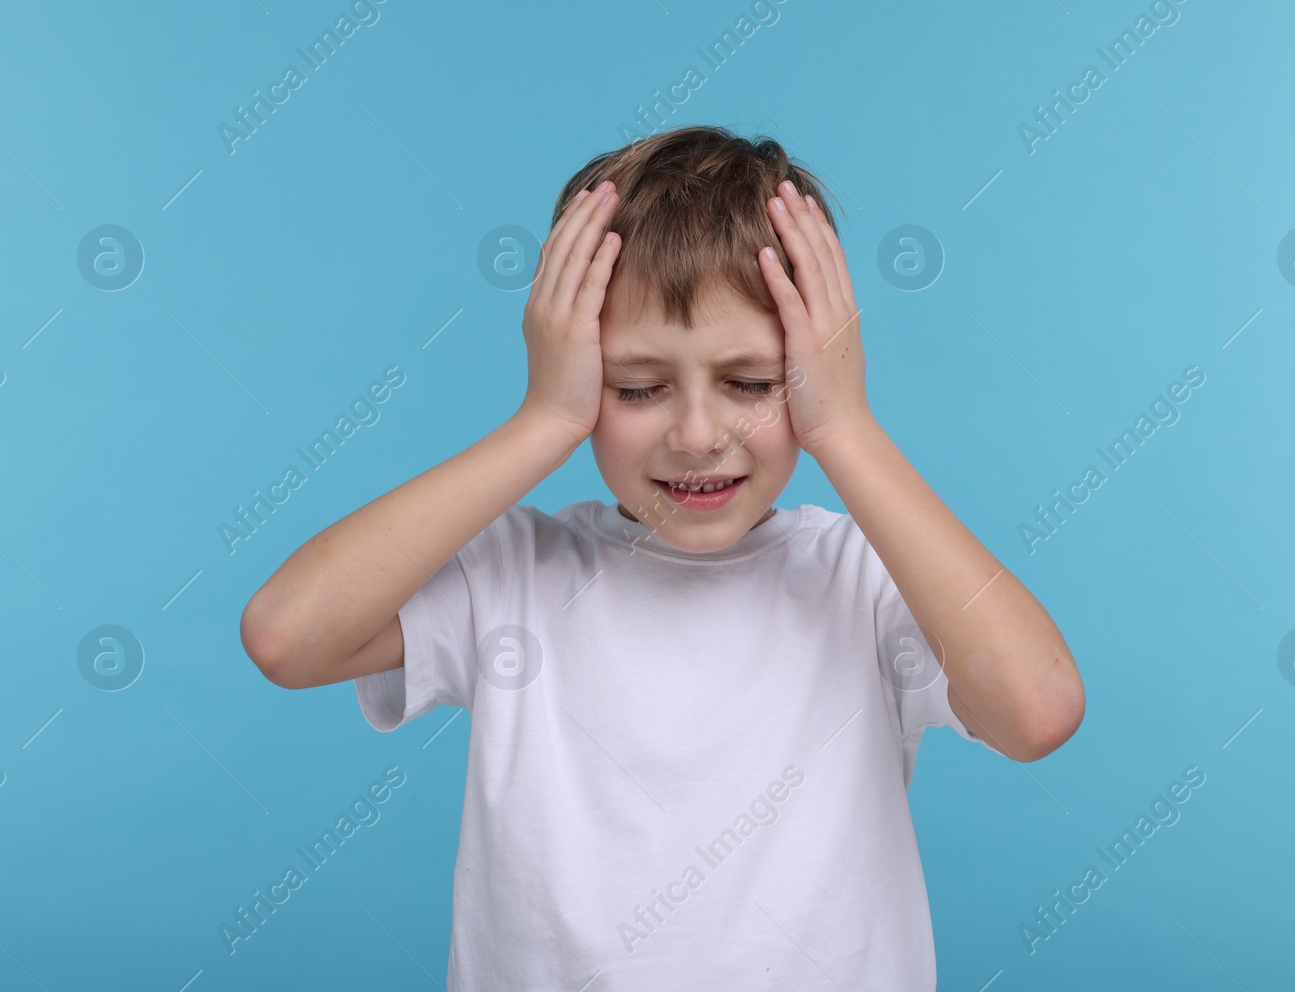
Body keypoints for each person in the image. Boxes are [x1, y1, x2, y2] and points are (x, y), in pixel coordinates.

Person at [239, 125, 1084, 988]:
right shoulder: (517, 574)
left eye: (751, 385)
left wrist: (848, 426)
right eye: (638, 388)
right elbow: (287, 634)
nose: (697, 435)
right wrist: (540, 423)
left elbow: (1037, 708)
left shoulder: (864, 580)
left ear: (812, 370)